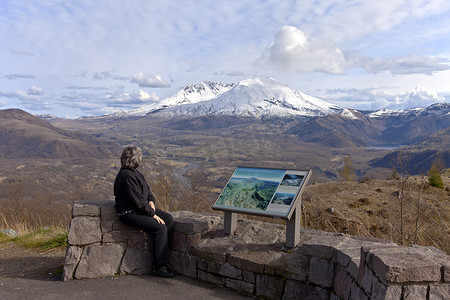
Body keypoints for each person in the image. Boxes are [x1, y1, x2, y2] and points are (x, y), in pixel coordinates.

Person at [114, 146, 174, 278]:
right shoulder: (126, 176)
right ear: (136, 159)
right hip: (129, 213)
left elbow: (146, 189)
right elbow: (138, 202)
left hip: (140, 209)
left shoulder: (134, 172)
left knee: (169, 219)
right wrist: (152, 214)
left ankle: (162, 254)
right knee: (161, 228)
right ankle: (160, 266)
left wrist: (151, 200)